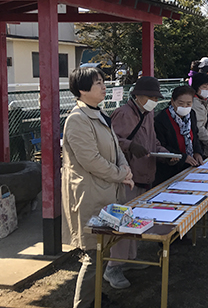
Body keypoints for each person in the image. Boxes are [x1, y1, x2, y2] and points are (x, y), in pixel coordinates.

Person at [61, 67, 134, 308]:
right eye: (97, 83)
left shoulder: (99, 113)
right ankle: (83, 304)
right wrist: (120, 174)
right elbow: (90, 160)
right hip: (90, 195)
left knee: (102, 250)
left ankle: (96, 299)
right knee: (93, 255)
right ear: (82, 90)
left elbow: (115, 150)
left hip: (106, 192)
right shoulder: (77, 119)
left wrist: (124, 169)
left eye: (103, 81)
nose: (104, 86)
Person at [105, 76, 176, 289]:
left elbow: (152, 141)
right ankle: (113, 266)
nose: (154, 100)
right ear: (137, 96)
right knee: (122, 223)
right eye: (151, 97)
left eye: (156, 97)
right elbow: (111, 141)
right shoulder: (124, 113)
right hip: (128, 176)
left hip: (145, 174)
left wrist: (165, 153)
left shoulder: (148, 114)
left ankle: (129, 259)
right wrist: (129, 145)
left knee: (136, 220)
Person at [154, 85, 204, 185]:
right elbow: (161, 145)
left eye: (188, 103)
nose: (185, 107)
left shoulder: (192, 114)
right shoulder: (161, 119)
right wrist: (183, 157)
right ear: (173, 101)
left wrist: (197, 152)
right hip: (170, 170)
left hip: (190, 166)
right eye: (181, 103)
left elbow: (195, 135)